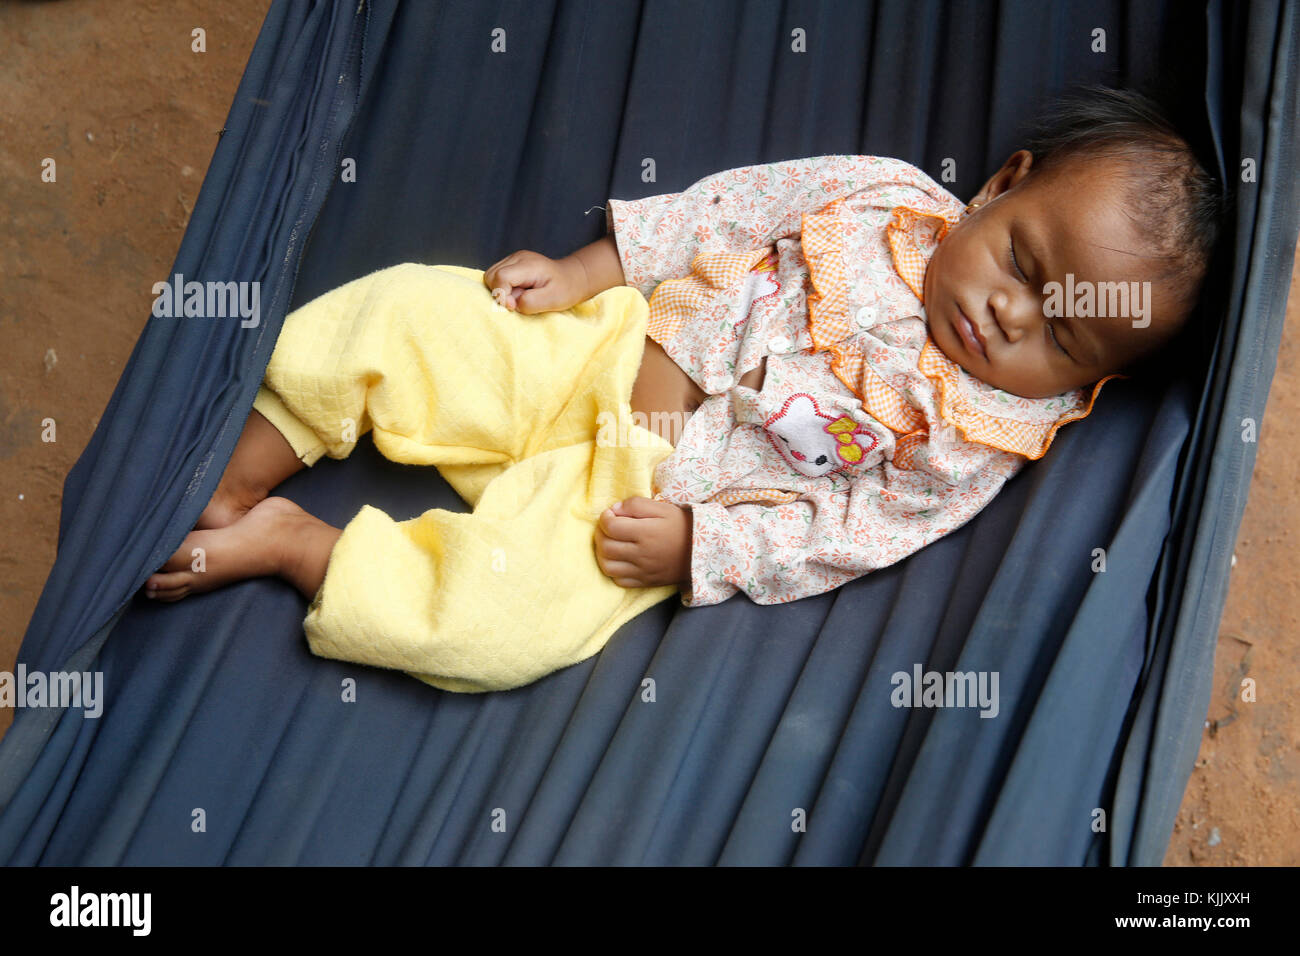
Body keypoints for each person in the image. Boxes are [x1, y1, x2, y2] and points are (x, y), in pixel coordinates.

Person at [140, 86, 1224, 692]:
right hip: (609, 353)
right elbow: (727, 212)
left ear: (1093, 381)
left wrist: (703, 549)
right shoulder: (884, 198)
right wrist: (587, 272)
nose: (1008, 315)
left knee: (498, 629)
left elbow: (843, 530)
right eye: (1023, 264)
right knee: (408, 317)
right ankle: (247, 466)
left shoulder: (975, 442)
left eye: (1062, 337)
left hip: (640, 510)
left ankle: (297, 545)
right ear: (1001, 187)